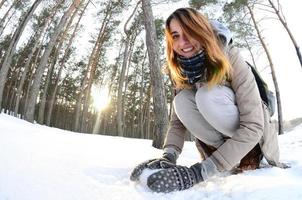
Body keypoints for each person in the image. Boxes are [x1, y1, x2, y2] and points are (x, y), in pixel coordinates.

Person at [130, 7, 283, 193]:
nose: (183, 42)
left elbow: (254, 126)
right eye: (176, 35)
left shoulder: (230, 56)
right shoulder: (182, 69)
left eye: (189, 32)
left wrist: (198, 173)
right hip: (220, 146)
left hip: (254, 141)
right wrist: (168, 156)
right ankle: (227, 158)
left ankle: (248, 157)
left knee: (206, 96)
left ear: (202, 31)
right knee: (181, 102)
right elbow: (177, 123)